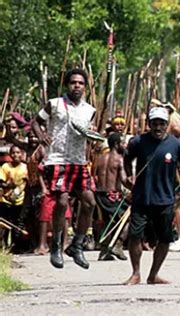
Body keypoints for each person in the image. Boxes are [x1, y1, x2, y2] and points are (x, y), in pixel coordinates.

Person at [31, 68, 97, 269]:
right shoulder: (55, 104)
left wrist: (94, 135)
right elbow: (36, 121)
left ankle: (76, 245)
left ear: (85, 87)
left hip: (78, 161)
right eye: (73, 82)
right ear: (67, 85)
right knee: (61, 201)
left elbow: (90, 132)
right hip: (57, 160)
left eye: (80, 83)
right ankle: (56, 245)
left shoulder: (90, 110)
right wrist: (41, 136)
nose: (76, 86)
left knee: (89, 202)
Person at [123, 107, 180, 285]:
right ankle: (136, 273)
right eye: (154, 123)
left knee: (165, 238)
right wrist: (129, 175)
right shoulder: (138, 141)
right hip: (141, 198)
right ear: (149, 124)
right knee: (135, 236)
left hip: (166, 200)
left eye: (162, 124)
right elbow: (127, 159)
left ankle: (153, 274)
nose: (158, 127)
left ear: (167, 125)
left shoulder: (176, 145)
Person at [94, 133, 129, 261]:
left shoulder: (101, 157)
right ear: (116, 144)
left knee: (108, 222)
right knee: (128, 217)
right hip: (112, 195)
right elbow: (124, 179)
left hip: (99, 194)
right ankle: (118, 245)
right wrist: (134, 185)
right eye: (123, 142)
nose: (125, 145)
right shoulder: (119, 159)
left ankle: (103, 252)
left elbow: (96, 175)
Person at [0, 146, 28, 249]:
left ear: (22, 154)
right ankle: (4, 245)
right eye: (13, 153)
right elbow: (1, 182)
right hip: (6, 200)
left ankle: (17, 247)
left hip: (20, 200)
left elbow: (27, 183)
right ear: (10, 154)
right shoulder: (5, 167)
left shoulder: (25, 167)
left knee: (18, 224)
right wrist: (8, 185)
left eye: (18, 152)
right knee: (5, 223)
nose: (15, 155)